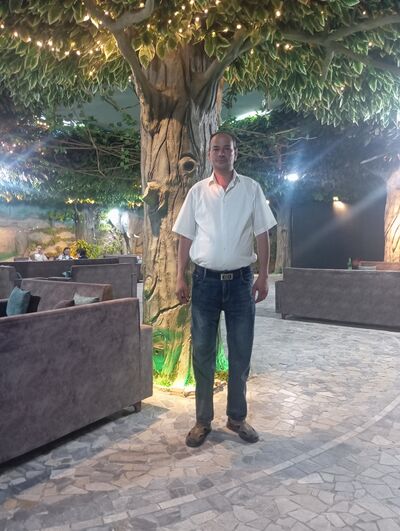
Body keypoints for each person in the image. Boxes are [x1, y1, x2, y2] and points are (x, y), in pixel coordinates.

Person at [173, 131, 277, 448]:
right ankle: (202, 420)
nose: (221, 153)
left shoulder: (251, 189)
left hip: (241, 284)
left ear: (235, 153)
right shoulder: (197, 192)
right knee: (202, 352)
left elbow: (262, 234)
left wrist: (263, 276)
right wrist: (180, 276)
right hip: (204, 283)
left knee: (241, 352)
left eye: (226, 149)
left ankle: (237, 418)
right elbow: (185, 237)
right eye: (216, 148)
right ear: (209, 154)